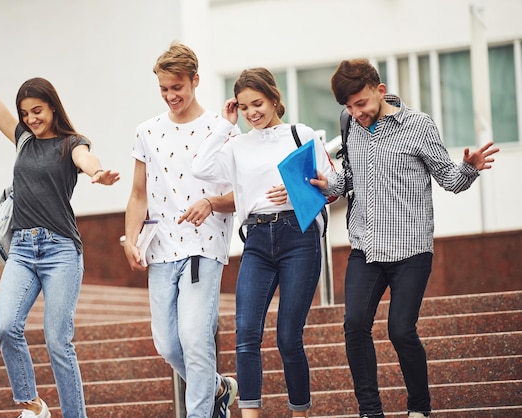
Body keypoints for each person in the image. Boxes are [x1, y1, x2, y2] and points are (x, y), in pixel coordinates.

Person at [0, 31, 120, 418]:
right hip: (21, 249)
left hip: (60, 252)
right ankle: (33, 404)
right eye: (25, 113)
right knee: (6, 326)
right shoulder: (23, 139)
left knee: (58, 341)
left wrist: (99, 173)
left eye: (37, 110)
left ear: (53, 108)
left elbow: (87, 158)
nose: (30, 119)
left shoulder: (72, 143)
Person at [310, 58, 499, 418]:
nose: (356, 112)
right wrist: (328, 184)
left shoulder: (419, 126)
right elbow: (349, 177)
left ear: (380, 91)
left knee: (400, 330)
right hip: (366, 246)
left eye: (361, 103)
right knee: (354, 327)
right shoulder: (349, 123)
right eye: (348, 107)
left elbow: (450, 180)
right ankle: (370, 411)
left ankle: (419, 408)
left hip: (411, 249)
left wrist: (470, 168)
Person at [192, 67, 335, 418]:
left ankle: (300, 413)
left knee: (288, 336)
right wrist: (226, 126)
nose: (252, 112)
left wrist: (298, 188)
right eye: (243, 107)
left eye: (257, 103)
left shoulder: (300, 134)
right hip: (257, 238)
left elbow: (331, 182)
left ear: (274, 98)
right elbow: (201, 168)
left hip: (299, 237)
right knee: (246, 334)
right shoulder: (236, 144)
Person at [123, 42, 238, 418]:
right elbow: (138, 193)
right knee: (168, 345)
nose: (171, 95)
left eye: (178, 87)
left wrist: (212, 204)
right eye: (164, 89)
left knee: (194, 339)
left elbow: (241, 193)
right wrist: (130, 240)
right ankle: (219, 387)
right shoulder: (147, 131)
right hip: (160, 247)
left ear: (195, 81)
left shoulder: (219, 130)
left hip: (204, 245)